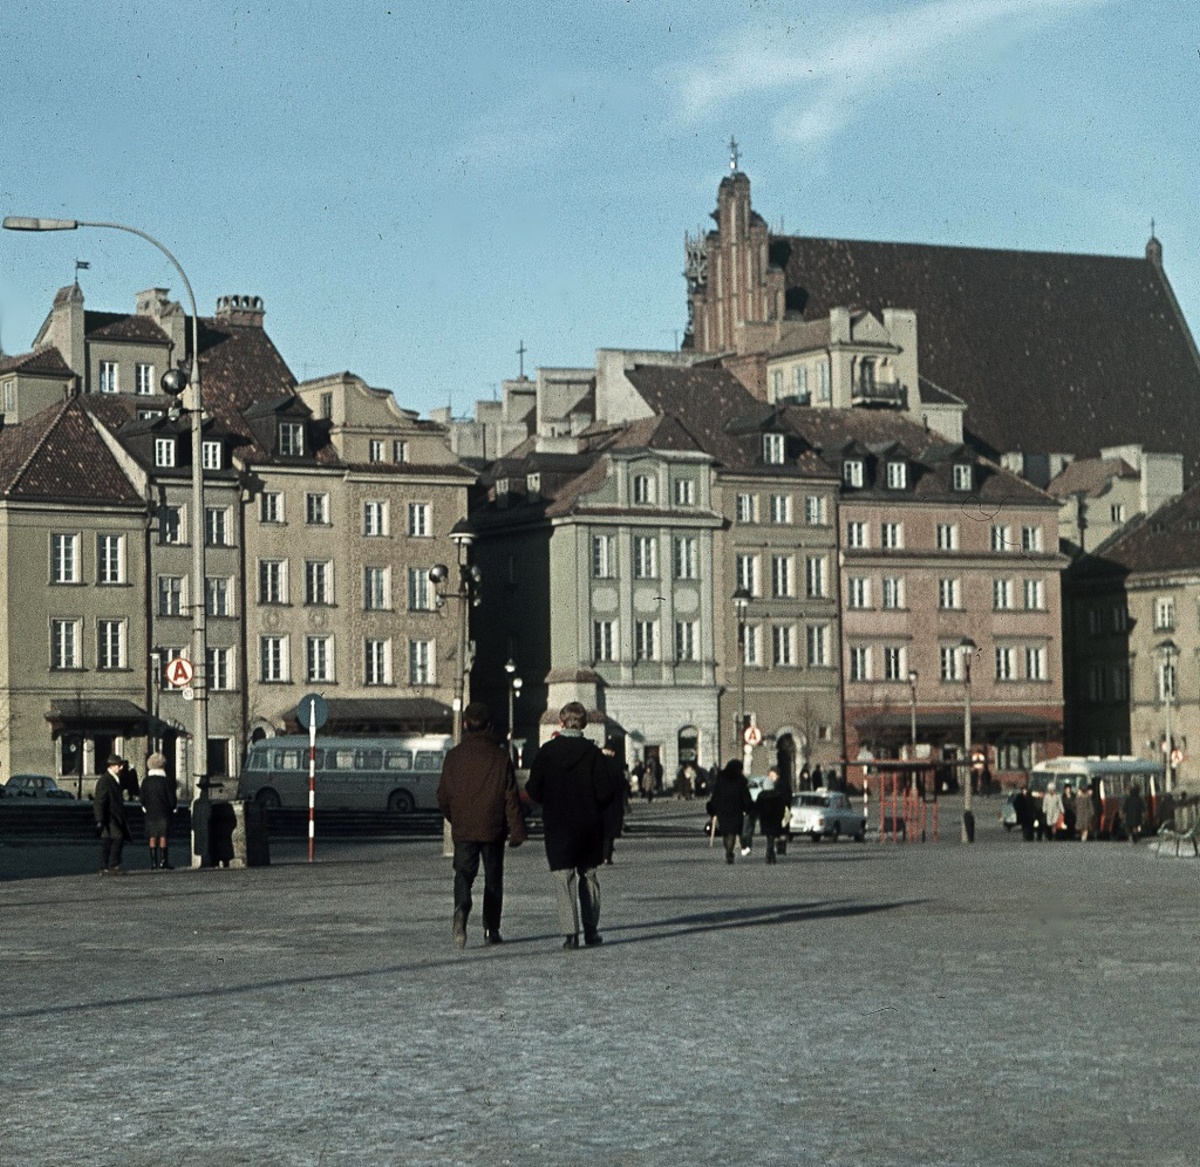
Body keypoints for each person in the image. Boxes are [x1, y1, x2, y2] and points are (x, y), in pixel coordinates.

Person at [525, 702, 617, 949]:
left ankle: (570, 934)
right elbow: (606, 791)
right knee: (589, 875)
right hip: (588, 824)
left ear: (561, 723)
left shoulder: (547, 752)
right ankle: (591, 930)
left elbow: (533, 789)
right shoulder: (594, 754)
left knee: (563, 877)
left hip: (558, 824)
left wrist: (551, 800)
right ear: (584, 724)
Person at [437, 702, 527, 948]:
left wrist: (455, 816)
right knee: (493, 878)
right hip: (493, 826)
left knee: (463, 873)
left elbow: (443, 795)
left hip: (464, 827)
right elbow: (511, 796)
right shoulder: (500, 756)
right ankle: (491, 929)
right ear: (489, 725)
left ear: (465, 724)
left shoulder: (454, 757)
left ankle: (462, 907)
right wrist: (517, 830)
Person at [706, 759, 753, 864]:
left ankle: (728, 850)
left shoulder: (721, 779)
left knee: (725, 833)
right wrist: (748, 807)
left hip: (722, 810)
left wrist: (713, 808)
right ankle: (729, 852)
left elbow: (716, 795)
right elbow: (745, 796)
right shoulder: (740, 780)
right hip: (736, 809)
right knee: (732, 832)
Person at [93, 755, 132, 875]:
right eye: (119, 766)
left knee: (107, 841)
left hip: (114, 815)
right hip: (109, 816)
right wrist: (99, 819)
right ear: (112, 766)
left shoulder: (114, 779)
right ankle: (113, 865)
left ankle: (104, 866)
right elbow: (100, 801)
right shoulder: (106, 780)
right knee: (117, 837)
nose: (121, 768)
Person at [141, 752, 177, 870]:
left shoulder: (146, 781)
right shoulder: (166, 781)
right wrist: (173, 807)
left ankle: (153, 863)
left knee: (152, 836)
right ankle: (163, 861)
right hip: (164, 811)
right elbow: (171, 797)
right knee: (163, 836)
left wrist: (145, 807)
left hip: (151, 812)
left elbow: (142, 798)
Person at [601, 738, 626, 865]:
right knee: (610, 833)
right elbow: (622, 784)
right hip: (613, 802)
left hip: (599, 802)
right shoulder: (617, 764)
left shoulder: (597, 763)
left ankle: (599, 854)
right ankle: (607, 856)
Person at [755, 770, 787, 864]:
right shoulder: (777, 795)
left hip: (765, 819)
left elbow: (757, 807)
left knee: (769, 837)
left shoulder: (761, 795)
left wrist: (754, 815)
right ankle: (770, 856)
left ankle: (769, 855)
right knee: (771, 837)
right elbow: (781, 807)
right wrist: (781, 817)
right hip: (775, 819)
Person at [775, 766, 794, 855]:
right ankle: (783, 848)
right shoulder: (786, 784)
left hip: (778, 810)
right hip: (786, 810)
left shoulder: (776, 785)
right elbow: (790, 797)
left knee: (778, 829)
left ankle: (779, 848)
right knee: (784, 829)